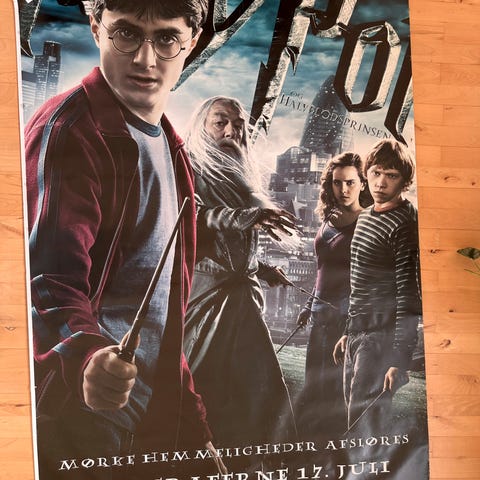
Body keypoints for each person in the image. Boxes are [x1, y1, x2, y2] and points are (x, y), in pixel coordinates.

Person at [24, 1, 226, 479]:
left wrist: (195, 432)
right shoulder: (70, 132)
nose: (145, 59)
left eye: (166, 38)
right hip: (77, 422)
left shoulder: (172, 149)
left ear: (192, 42)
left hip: (146, 430)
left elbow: (162, 316)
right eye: (127, 33)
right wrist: (86, 356)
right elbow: (45, 280)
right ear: (96, 27)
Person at [182, 96, 298, 472]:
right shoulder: (188, 166)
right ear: (202, 127)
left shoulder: (238, 173)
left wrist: (261, 268)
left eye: (238, 124)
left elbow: (229, 246)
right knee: (206, 390)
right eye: (220, 122)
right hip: (208, 303)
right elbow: (190, 217)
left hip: (242, 298)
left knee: (262, 395)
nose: (232, 131)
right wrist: (248, 217)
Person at [333, 140, 422, 474]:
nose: (381, 182)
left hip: (382, 338)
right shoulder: (368, 216)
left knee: (366, 427)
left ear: (405, 181)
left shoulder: (405, 223)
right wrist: (349, 331)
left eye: (391, 175)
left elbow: (408, 294)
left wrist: (399, 359)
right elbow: (360, 282)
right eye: (375, 173)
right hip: (359, 333)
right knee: (354, 420)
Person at [295, 152, 371, 442]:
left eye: (350, 182)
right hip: (318, 315)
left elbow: (368, 280)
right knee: (313, 387)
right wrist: (308, 305)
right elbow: (321, 268)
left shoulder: (368, 222)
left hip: (344, 320)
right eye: (337, 183)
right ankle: (310, 450)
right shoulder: (328, 217)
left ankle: (335, 453)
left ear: (362, 183)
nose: (344, 189)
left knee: (336, 393)